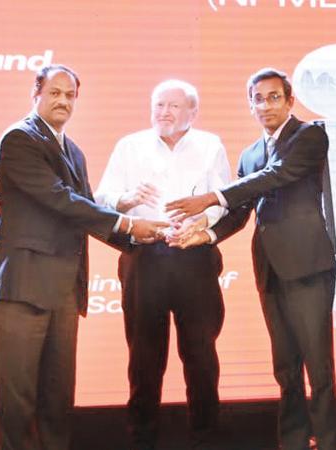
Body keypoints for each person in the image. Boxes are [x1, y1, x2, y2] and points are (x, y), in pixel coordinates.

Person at [0, 64, 166, 450]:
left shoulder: (73, 150)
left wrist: (142, 242)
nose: (63, 100)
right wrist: (129, 225)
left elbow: (84, 212)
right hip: (21, 287)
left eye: (70, 95)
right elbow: (62, 202)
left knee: (58, 400)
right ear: (37, 95)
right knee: (19, 404)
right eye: (54, 93)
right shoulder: (19, 139)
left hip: (63, 289)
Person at [165, 68, 336, 450]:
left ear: (290, 100)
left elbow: (280, 174)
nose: (265, 105)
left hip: (308, 266)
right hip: (270, 269)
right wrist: (207, 234)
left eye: (274, 97)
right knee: (285, 367)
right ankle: (293, 441)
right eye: (257, 99)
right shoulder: (249, 153)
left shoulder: (309, 136)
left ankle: (328, 443)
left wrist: (212, 196)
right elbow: (240, 210)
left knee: (319, 367)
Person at [95, 79, 231, 450]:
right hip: (145, 259)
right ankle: (142, 440)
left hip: (194, 259)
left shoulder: (210, 145)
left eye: (173, 106)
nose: (164, 113)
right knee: (144, 359)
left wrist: (199, 223)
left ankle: (206, 439)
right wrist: (127, 198)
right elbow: (102, 199)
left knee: (201, 356)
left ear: (192, 112)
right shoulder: (130, 145)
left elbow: (223, 200)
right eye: (158, 105)